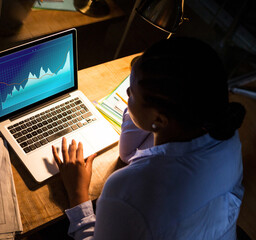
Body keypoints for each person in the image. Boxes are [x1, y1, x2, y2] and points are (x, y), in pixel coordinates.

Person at [51, 37, 246, 240]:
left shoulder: (128, 192)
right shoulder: (225, 134)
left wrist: (78, 195)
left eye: (132, 94)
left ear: (160, 119)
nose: (126, 93)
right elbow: (128, 153)